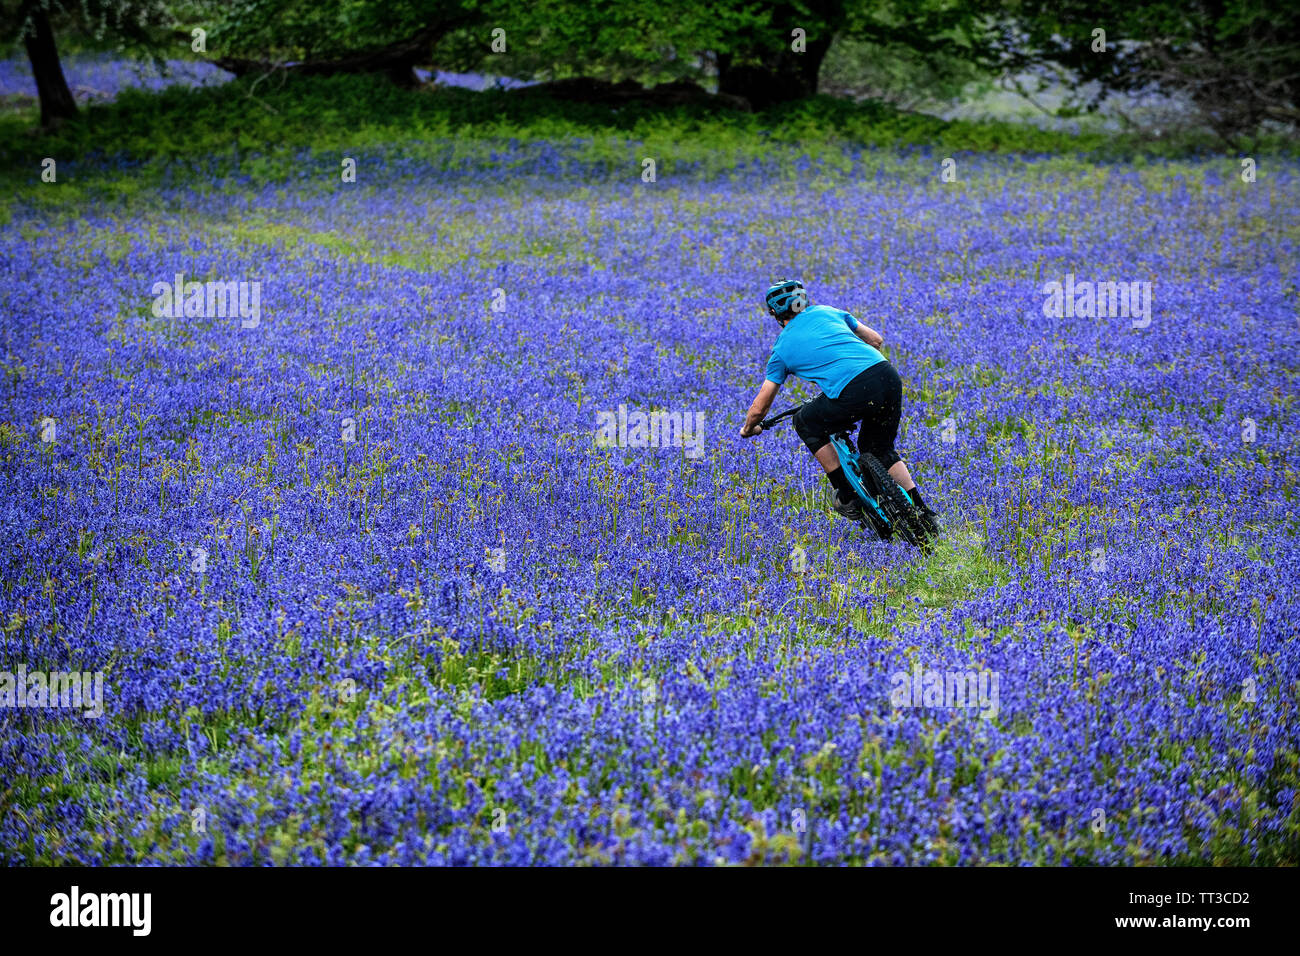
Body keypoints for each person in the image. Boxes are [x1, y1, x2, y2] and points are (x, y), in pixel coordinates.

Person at [739, 278, 939, 537]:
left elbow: (761, 405)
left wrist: (749, 428)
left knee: (805, 421)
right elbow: (876, 340)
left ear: (775, 313)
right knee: (880, 449)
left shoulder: (782, 349)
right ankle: (924, 513)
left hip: (852, 391)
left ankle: (847, 494)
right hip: (887, 376)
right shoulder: (829, 311)